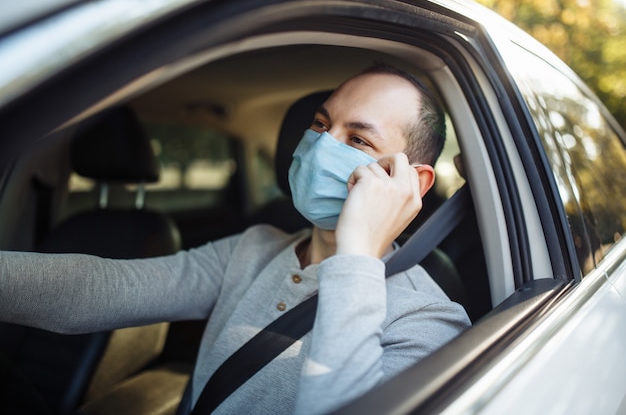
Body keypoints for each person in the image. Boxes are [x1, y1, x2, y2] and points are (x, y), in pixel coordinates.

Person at [0, 63, 471, 415]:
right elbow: (99, 289)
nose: (323, 146)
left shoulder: (429, 324)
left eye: (358, 141)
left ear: (411, 181)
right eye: (322, 125)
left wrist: (356, 256)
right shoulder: (254, 248)